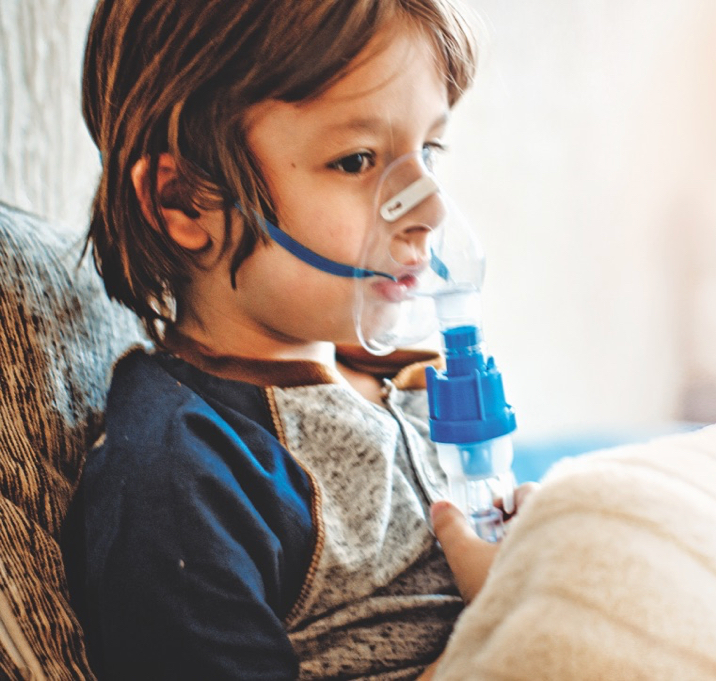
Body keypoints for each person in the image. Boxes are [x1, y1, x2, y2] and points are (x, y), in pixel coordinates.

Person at [61, 0, 533, 678]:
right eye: (357, 159)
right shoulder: (183, 480)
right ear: (186, 200)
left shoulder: (402, 382)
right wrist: (512, 624)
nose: (428, 209)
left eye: (426, 150)